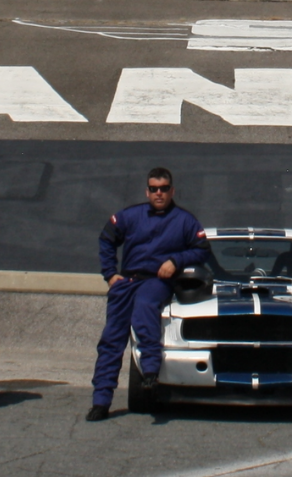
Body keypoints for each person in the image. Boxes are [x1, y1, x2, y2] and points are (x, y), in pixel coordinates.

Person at [88, 167, 210, 421]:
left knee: (144, 310)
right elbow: (106, 238)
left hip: (157, 282)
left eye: (164, 189)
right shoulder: (130, 216)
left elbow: (202, 249)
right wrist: (110, 274)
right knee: (111, 339)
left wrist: (176, 261)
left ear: (172, 191)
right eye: (153, 189)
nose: (158, 193)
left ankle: (150, 373)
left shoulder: (185, 220)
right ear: (147, 191)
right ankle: (101, 401)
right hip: (127, 281)